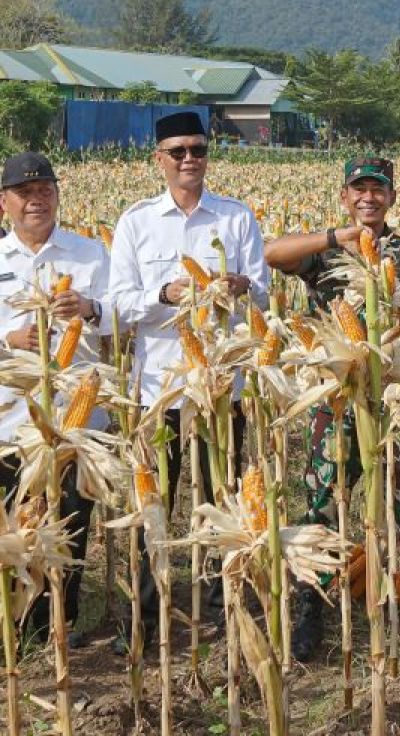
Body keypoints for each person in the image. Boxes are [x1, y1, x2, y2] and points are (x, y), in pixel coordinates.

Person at [264, 156, 400, 661]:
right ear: (345, 196)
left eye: (378, 189)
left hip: (395, 399)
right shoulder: (325, 255)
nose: (369, 197)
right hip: (339, 397)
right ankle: (314, 607)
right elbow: (270, 255)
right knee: (326, 501)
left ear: (392, 196)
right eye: (359, 189)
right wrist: (334, 238)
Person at [108, 111, 269, 648]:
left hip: (223, 388)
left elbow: (263, 292)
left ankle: (220, 607)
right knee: (156, 502)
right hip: (161, 390)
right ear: (158, 159)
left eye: (197, 150)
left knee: (222, 496)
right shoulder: (137, 222)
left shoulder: (236, 216)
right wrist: (166, 295)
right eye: (177, 151)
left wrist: (237, 286)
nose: (188, 160)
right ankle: (149, 614)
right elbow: (119, 307)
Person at [0, 152, 109, 647]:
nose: (35, 200)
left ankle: (54, 627)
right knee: (12, 527)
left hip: (73, 422)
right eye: (24, 193)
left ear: (58, 195)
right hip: (11, 423)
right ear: (5, 203)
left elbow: (121, 321)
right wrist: (9, 341)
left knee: (67, 525)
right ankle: (11, 625)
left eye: (44, 190)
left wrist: (89, 309)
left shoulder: (90, 254)